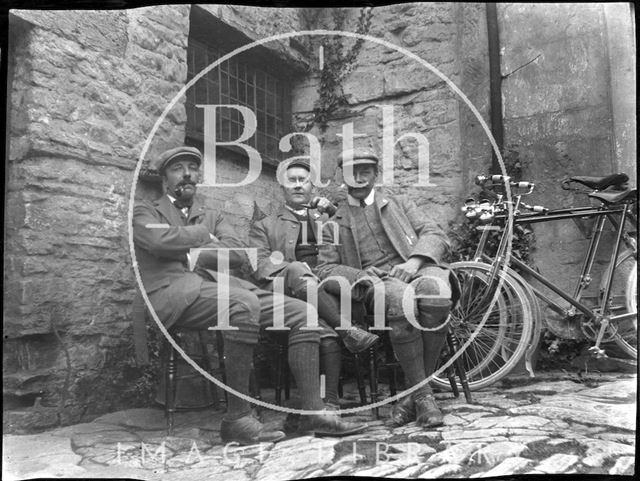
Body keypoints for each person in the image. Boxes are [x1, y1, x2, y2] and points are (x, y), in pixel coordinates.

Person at [132, 146, 367, 444]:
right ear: (165, 178)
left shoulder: (212, 214)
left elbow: (235, 255)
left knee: (301, 311)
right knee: (243, 304)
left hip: (221, 288)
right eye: (178, 169)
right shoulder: (146, 210)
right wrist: (204, 237)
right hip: (171, 293)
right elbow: (156, 241)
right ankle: (238, 419)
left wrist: (192, 251)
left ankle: (313, 413)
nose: (187, 174)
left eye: (192, 168)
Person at [315, 147, 459, 428]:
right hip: (377, 283)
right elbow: (324, 269)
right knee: (399, 298)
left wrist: (414, 262)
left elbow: (435, 234)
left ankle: (412, 396)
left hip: (417, 268)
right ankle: (424, 398)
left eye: (365, 171)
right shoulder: (334, 221)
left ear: (375, 174)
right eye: (351, 173)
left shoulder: (398, 202)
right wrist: (361, 275)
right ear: (343, 178)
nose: (358, 177)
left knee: (437, 293)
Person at [249, 158, 379, 409]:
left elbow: (355, 235)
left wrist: (332, 211)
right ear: (282, 188)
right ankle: (348, 330)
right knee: (299, 270)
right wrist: (293, 271)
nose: (297, 186)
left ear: (312, 188)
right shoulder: (264, 224)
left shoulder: (327, 218)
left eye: (303, 181)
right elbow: (260, 265)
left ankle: (329, 402)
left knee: (324, 329)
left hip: (323, 292)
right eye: (291, 181)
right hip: (287, 293)